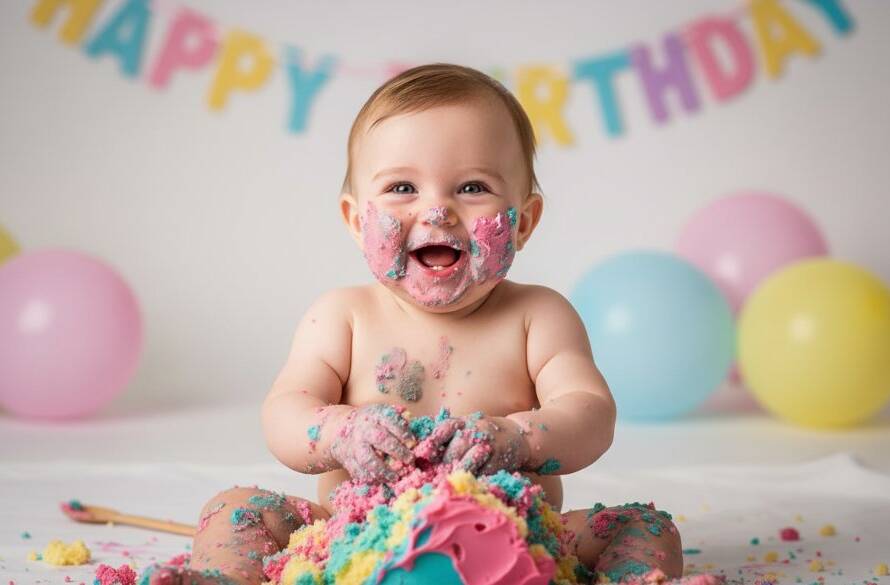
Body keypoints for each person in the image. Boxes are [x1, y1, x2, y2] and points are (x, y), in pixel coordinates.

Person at [144, 63, 683, 585]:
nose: (437, 211)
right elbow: (284, 416)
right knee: (235, 509)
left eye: (472, 187)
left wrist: (517, 438)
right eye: (403, 188)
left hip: (517, 540)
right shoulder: (342, 316)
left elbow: (590, 415)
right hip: (354, 540)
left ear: (524, 221)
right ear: (357, 221)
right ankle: (221, 578)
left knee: (644, 525)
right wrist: (340, 433)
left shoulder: (538, 316)